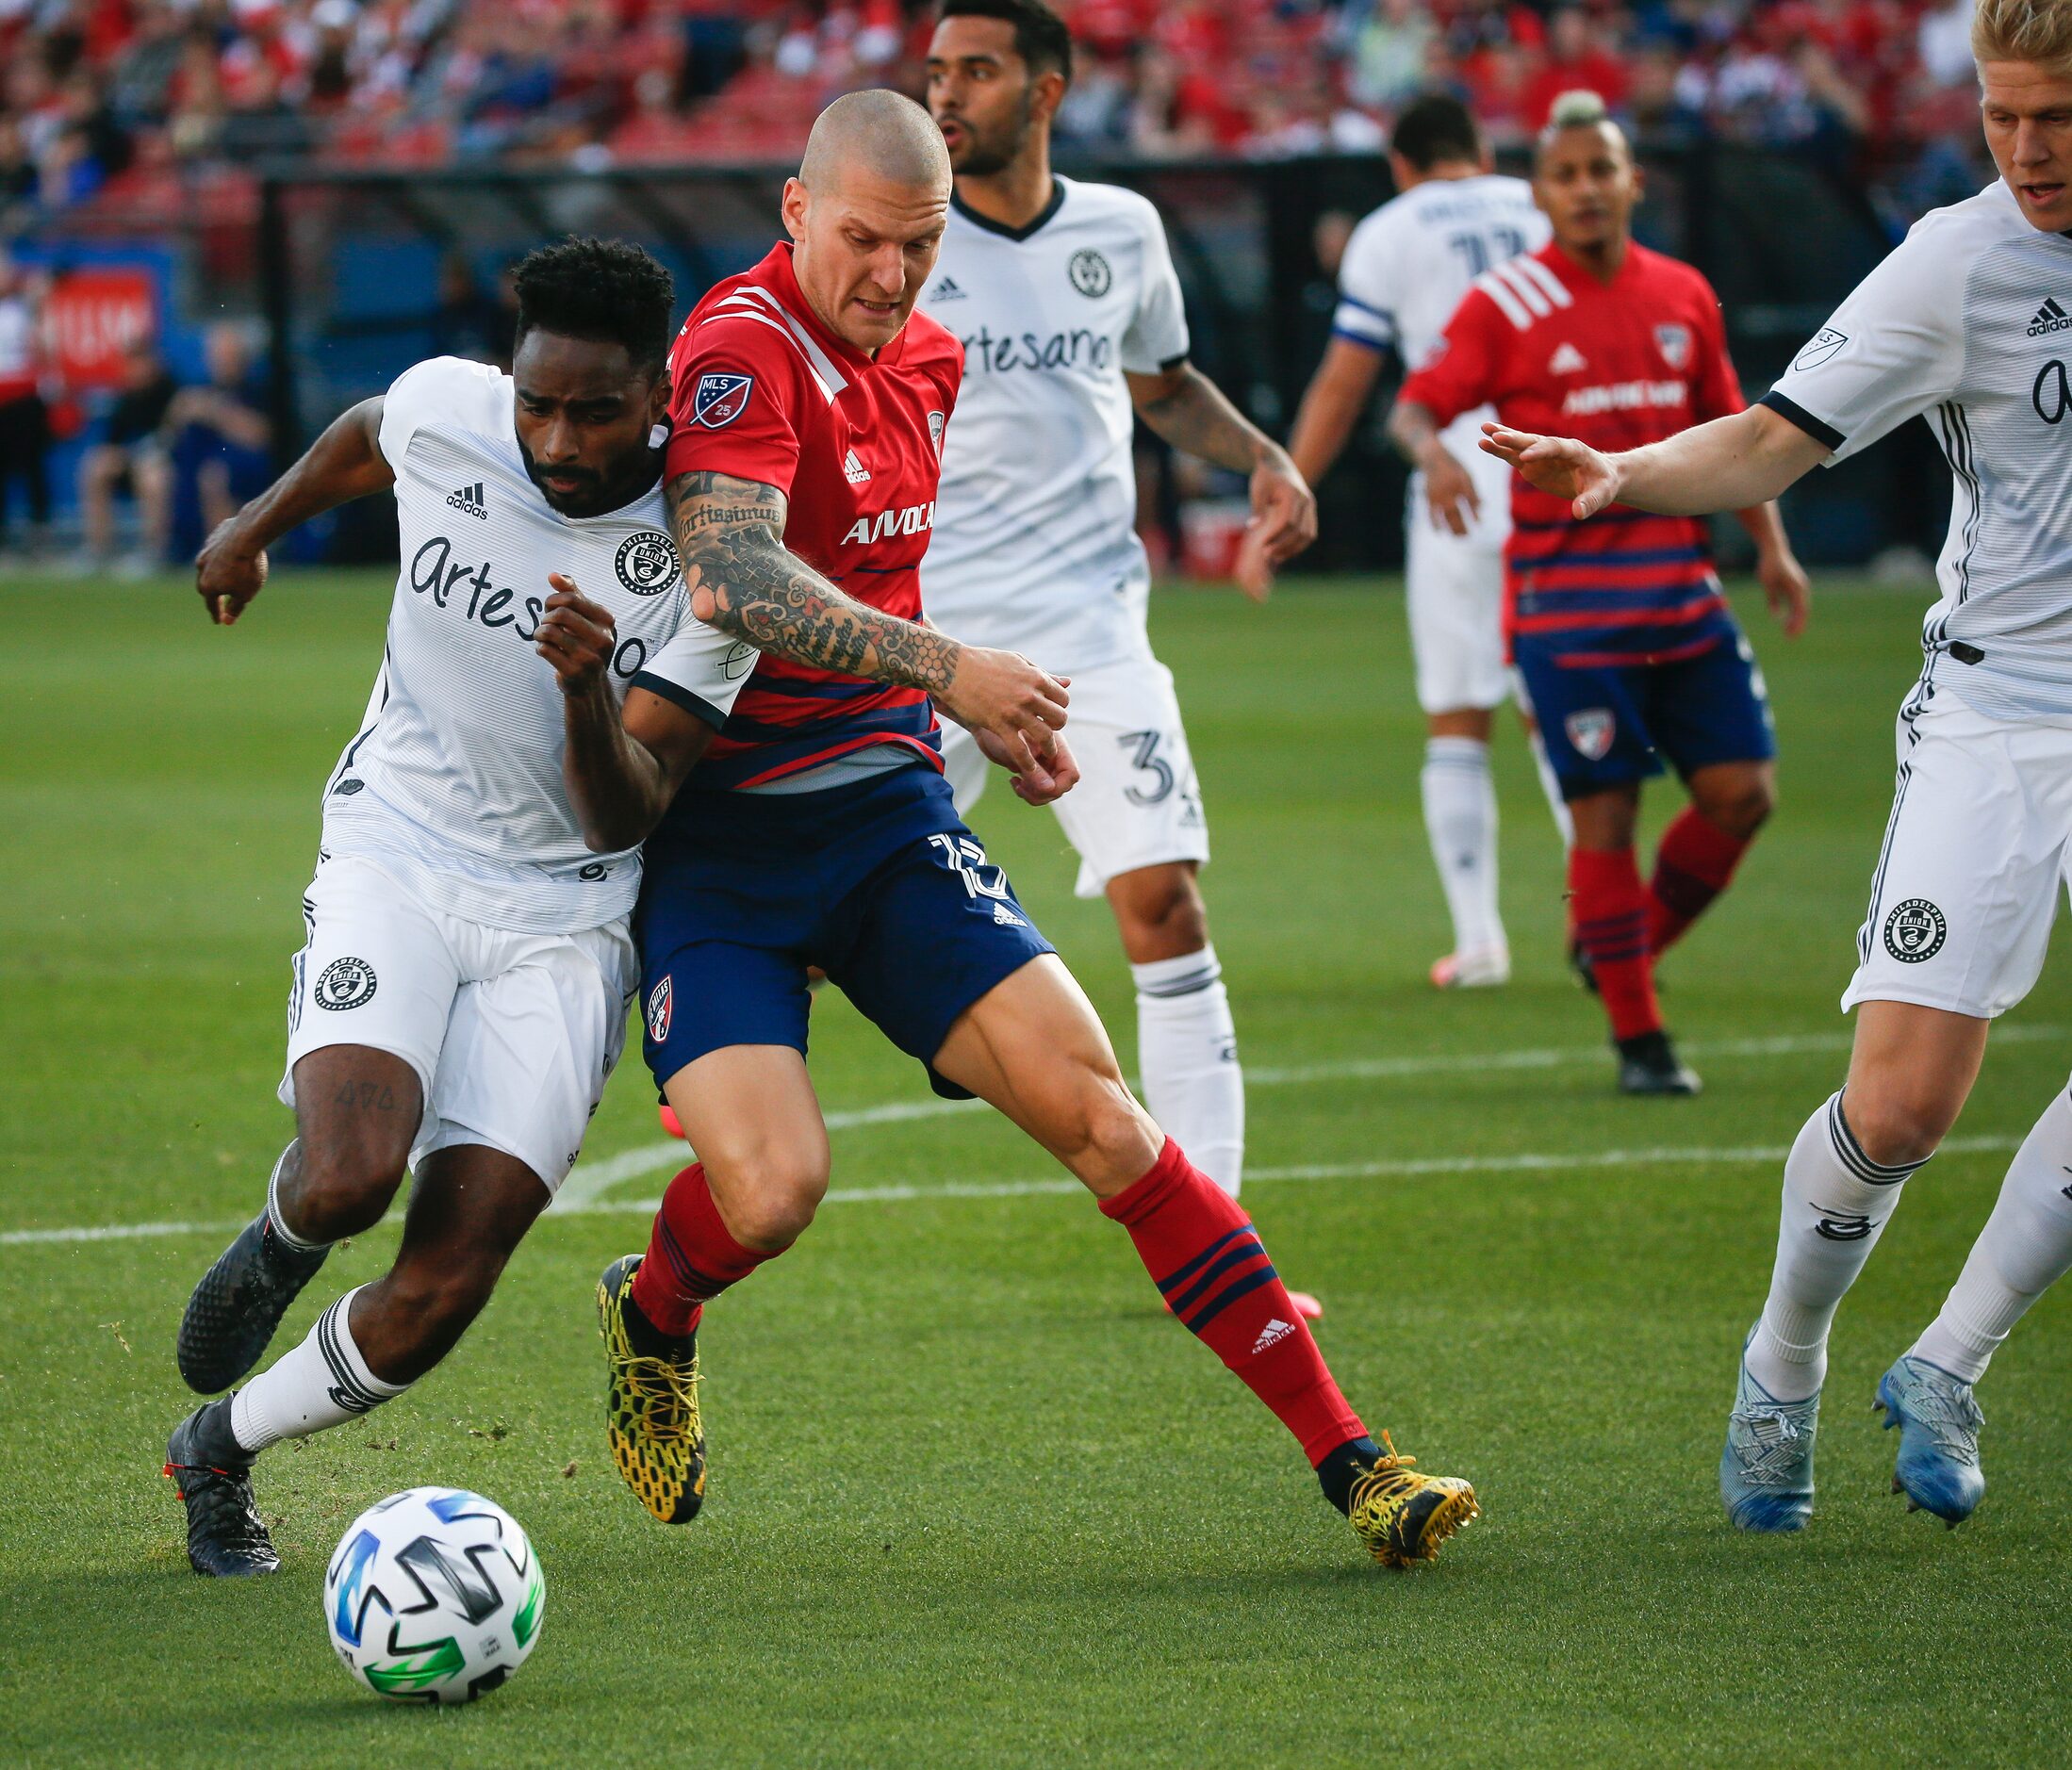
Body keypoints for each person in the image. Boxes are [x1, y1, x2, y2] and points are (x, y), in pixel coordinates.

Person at [567, 89, 1478, 1568]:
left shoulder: (929, 351)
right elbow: (730, 572)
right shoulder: (741, 347)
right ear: (796, 212)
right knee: (774, 1187)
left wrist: (979, 712)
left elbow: (885, 572)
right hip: (720, 845)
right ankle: (652, 1307)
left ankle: (1357, 1463)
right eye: (861, 239)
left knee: (1106, 1118)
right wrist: (954, 673)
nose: (891, 275)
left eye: (918, 246)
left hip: (878, 809)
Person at [1484, 0, 2072, 1532]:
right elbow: (1767, 441)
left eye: (2055, 116)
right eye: (2002, 116)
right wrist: (1619, 474)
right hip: (1999, 711)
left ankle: (1949, 1357)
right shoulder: (1955, 258)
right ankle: (1783, 1358)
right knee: (1900, 1105)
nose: (2025, 149)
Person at [158, 238, 765, 1577]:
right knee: (346, 1175)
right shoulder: (451, 406)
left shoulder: (712, 561)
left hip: (565, 911)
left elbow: (625, 814)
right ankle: (283, 1235)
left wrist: (581, 690)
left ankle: (219, 1447)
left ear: (660, 391)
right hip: (401, 846)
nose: (555, 437)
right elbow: (370, 436)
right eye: (537, 402)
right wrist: (249, 529)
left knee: (444, 1283)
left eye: (593, 410)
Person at [917, 0, 1321, 1314]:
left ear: (1046, 90)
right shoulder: (901, 242)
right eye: (935, 73)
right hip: (927, 638)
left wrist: (1260, 456)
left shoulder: (1121, 230)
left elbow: (1161, 385)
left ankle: (1220, 1254)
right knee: (817, 921)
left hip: (1093, 628)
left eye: (974, 71)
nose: (946, 95)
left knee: (1165, 904)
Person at [1393, 91, 1812, 1096]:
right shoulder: (1505, 305)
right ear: (1538, 192)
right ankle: (1640, 1042)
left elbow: (1737, 434)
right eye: (1565, 174)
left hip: (1680, 593)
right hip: (1566, 612)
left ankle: (1611, 946)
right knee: (1606, 820)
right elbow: (1415, 407)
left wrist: (1771, 549)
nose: (1584, 189)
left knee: (1741, 795)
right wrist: (1433, 461)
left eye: (1600, 170)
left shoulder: (1681, 295)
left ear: (1632, 182)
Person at [1286, 92, 1570, 991]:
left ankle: (1481, 939)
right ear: (1483, 148)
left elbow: (1344, 380)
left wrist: (1288, 485)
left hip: (1456, 472)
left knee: (1459, 711)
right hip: (1566, 469)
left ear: (1401, 164)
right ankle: (1605, 922)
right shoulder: (1541, 202)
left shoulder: (1391, 228)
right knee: (1564, 707)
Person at [166, 321, 271, 560]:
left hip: (248, 466)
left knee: (214, 476)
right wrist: (179, 411)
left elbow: (261, 436)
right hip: (197, 461)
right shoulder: (199, 387)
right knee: (156, 474)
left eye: (228, 356)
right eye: (216, 355)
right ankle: (163, 552)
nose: (221, 362)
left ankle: (222, 556)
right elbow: (169, 433)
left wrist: (216, 412)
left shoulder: (258, 388)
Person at [76, 336, 176, 573]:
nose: (134, 369)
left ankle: (154, 551)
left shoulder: (171, 391)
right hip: (133, 463)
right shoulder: (127, 398)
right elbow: (112, 442)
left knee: (152, 476)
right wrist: (119, 456)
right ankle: (99, 549)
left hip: (167, 467)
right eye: (130, 363)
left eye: (140, 361)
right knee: (96, 466)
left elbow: (172, 440)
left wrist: (139, 455)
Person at [0, 253, 52, 559]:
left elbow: (42, 349)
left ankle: (39, 532)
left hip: (24, 397)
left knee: (33, 466)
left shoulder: (26, 309)